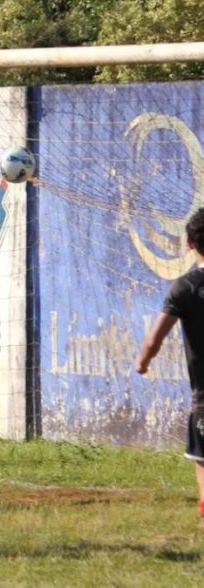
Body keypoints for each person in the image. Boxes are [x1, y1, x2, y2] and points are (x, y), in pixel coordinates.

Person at [135, 206, 204, 526]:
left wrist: (143, 361)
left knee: (202, 458)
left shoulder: (186, 288)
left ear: (189, 243)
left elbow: (154, 338)